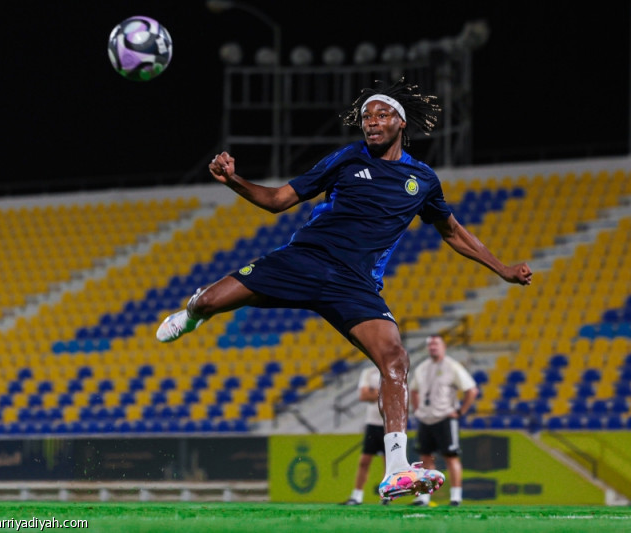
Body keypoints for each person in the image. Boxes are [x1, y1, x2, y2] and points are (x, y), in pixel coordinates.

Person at [155, 78, 533, 502]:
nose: (371, 122)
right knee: (209, 301)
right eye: (366, 116)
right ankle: (191, 312)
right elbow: (279, 199)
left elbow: (452, 232)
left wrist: (501, 269)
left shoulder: (422, 180)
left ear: (401, 122)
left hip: (355, 284)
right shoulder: (346, 159)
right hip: (304, 260)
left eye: (381, 114)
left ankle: (395, 470)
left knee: (395, 359)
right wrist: (233, 180)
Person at [409, 334, 479, 507]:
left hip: (445, 418)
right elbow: (414, 390)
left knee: (451, 457)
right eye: (430, 345)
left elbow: (471, 390)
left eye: (436, 344)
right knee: (425, 458)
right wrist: (417, 410)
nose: (433, 347)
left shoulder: (452, 366)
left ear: (444, 347)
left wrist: (460, 411)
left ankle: (456, 497)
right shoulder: (422, 368)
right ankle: (424, 497)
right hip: (426, 419)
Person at [341, 364, 385, 505]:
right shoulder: (369, 372)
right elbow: (363, 395)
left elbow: (395, 395)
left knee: (388, 464)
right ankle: (357, 495)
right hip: (372, 423)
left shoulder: (394, 369)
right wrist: (382, 393)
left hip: (389, 424)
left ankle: (386, 497)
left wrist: (374, 392)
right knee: (364, 461)